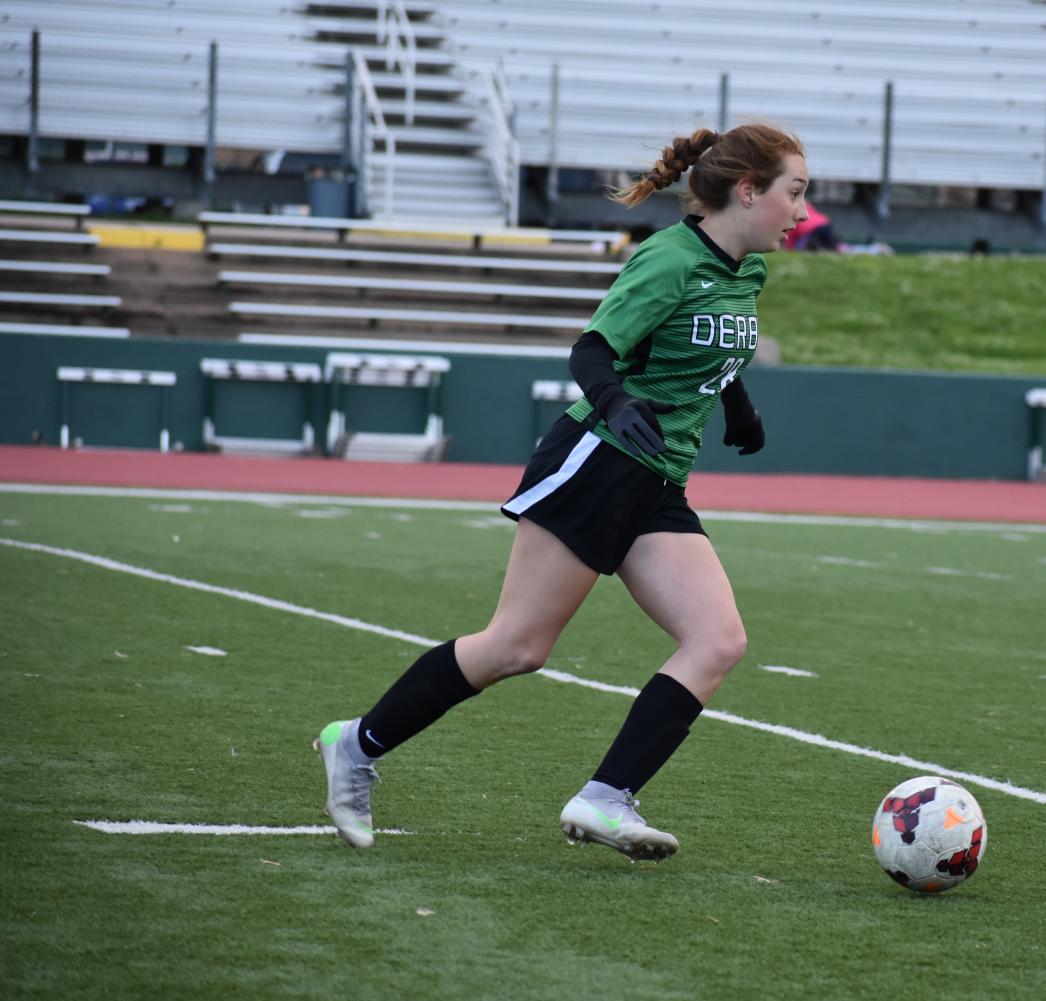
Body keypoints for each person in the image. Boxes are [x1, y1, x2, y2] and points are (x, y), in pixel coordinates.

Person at [315, 123, 809, 862]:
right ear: (747, 191)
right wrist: (614, 402)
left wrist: (737, 406)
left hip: (659, 481)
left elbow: (710, 345)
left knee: (717, 639)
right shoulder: (667, 258)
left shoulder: (748, 270)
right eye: (794, 192)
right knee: (517, 646)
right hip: (597, 462)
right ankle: (356, 744)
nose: (802, 212)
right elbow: (592, 349)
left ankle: (605, 797)